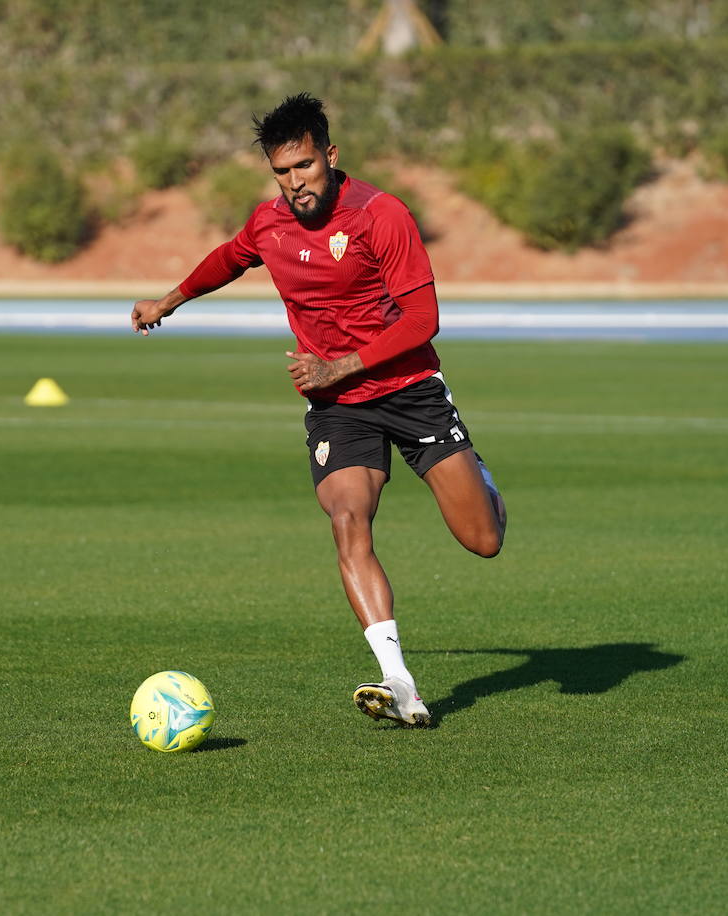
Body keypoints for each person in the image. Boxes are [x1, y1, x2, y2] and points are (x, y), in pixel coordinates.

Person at [130, 93, 506, 728]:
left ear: (329, 155)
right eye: (282, 171)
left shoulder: (381, 215)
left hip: (410, 390)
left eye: (304, 166)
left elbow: (423, 319)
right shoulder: (270, 222)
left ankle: (481, 476)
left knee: (483, 540)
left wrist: (340, 363)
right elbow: (230, 256)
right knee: (347, 519)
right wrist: (168, 300)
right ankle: (400, 681)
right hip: (338, 409)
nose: (295, 183)